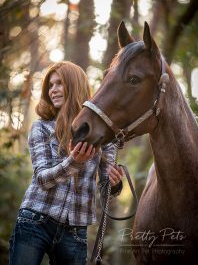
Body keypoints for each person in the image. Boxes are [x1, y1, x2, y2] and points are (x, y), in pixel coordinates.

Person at [9, 61, 123, 265]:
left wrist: (115, 183)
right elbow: (42, 179)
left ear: (75, 85)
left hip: (76, 230)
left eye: (59, 83)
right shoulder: (41, 128)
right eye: (50, 85)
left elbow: (106, 185)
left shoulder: (102, 133)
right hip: (35, 220)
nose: (53, 90)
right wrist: (74, 162)